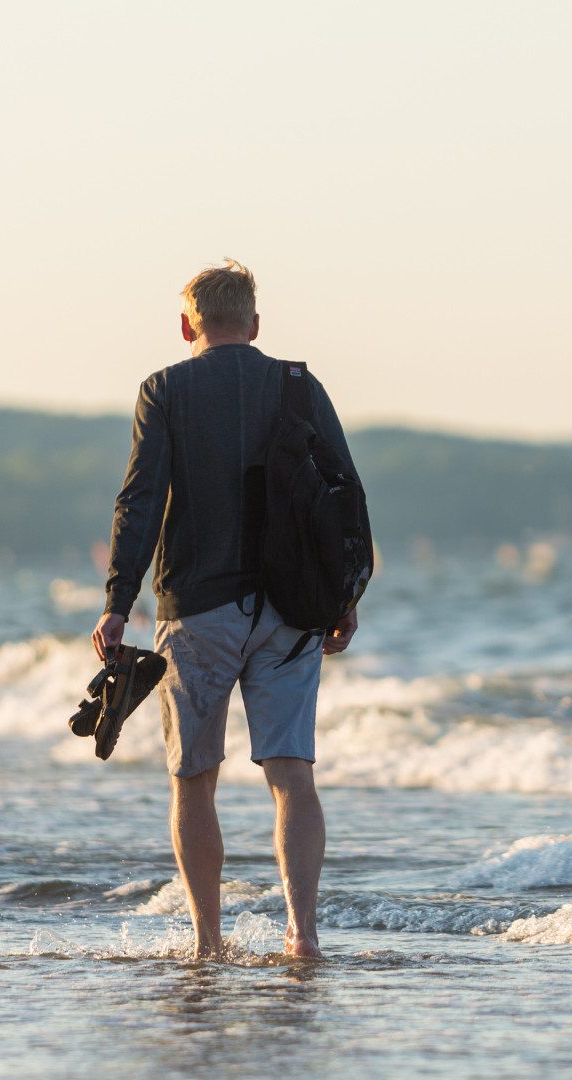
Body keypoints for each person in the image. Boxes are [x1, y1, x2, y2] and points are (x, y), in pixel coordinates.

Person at [92, 259, 359, 960]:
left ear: (188, 325)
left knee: (193, 779)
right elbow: (345, 494)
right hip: (293, 609)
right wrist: (346, 595)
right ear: (256, 324)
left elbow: (140, 502)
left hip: (199, 607)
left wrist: (118, 602)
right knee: (293, 776)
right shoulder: (299, 387)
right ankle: (303, 936)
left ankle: (208, 943)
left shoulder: (165, 389)